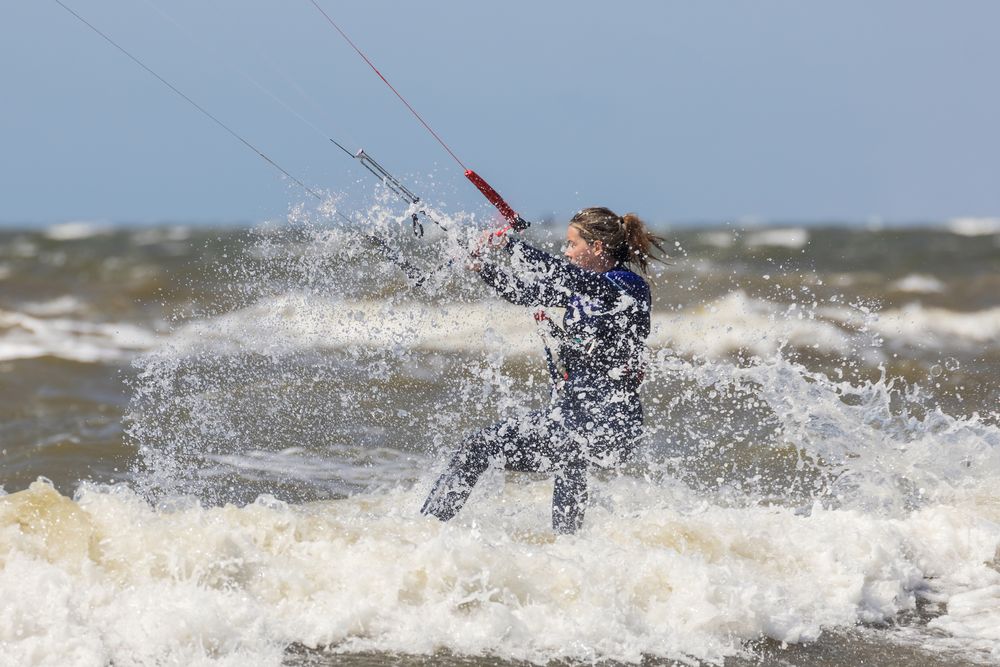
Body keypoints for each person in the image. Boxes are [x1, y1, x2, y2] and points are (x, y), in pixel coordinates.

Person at [420, 207, 666, 533]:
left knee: (569, 451)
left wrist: (510, 245)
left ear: (596, 248)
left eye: (571, 244)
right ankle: (425, 532)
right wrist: (480, 266)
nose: (566, 251)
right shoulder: (581, 292)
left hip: (611, 421)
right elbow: (526, 293)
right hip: (573, 415)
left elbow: (568, 275)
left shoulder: (626, 286)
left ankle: (567, 548)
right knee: (478, 448)